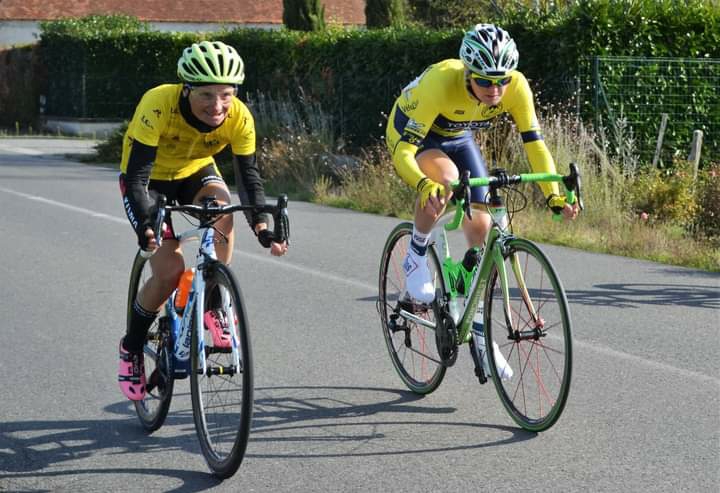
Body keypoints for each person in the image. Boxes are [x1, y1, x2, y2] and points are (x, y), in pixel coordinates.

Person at [118, 40, 288, 401]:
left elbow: (249, 177)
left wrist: (260, 225)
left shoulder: (239, 116)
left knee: (223, 208)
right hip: (149, 181)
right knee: (169, 271)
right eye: (206, 95)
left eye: (226, 94)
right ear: (187, 89)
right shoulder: (158, 104)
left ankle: (213, 301)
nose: (217, 105)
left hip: (195, 172)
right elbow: (136, 179)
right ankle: (131, 348)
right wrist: (147, 223)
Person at [385, 23, 579, 305]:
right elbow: (404, 152)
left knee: (481, 223)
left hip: (458, 134)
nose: (495, 89)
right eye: (485, 81)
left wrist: (553, 196)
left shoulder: (517, 86)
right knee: (446, 179)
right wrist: (423, 184)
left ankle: (471, 312)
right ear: (468, 73)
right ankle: (416, 255)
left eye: (502, 80)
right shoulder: (441, 82)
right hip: (414, 133)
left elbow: (535, 144)